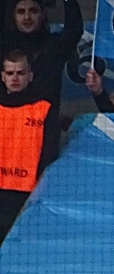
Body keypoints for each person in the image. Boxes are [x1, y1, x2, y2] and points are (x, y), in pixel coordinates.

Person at [0, 50, 60, 240]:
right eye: (10, 73)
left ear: (30, 76)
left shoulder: (43, 109)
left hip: (28, 195)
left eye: (20, 73)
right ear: (3, 77)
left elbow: (50, 153)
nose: (15, 78)